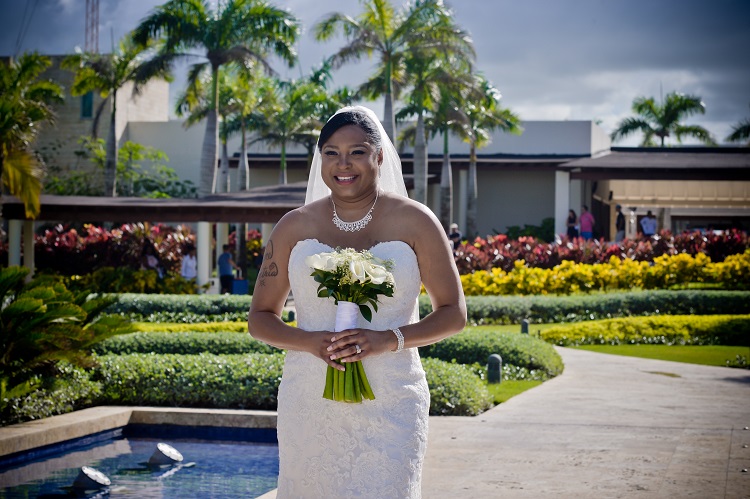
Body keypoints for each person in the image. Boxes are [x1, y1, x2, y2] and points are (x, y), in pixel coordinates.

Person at [248, 106, 467, 497]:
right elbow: (260, 319)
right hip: (310, 398)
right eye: (331, 152)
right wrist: (310, 343)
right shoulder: (293, 226)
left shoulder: (418, 222)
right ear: (320, 160)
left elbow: (453, 314)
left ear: (379, 156)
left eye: (357, 152)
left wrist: (387, 339)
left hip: (392, 395)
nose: (343, 164)